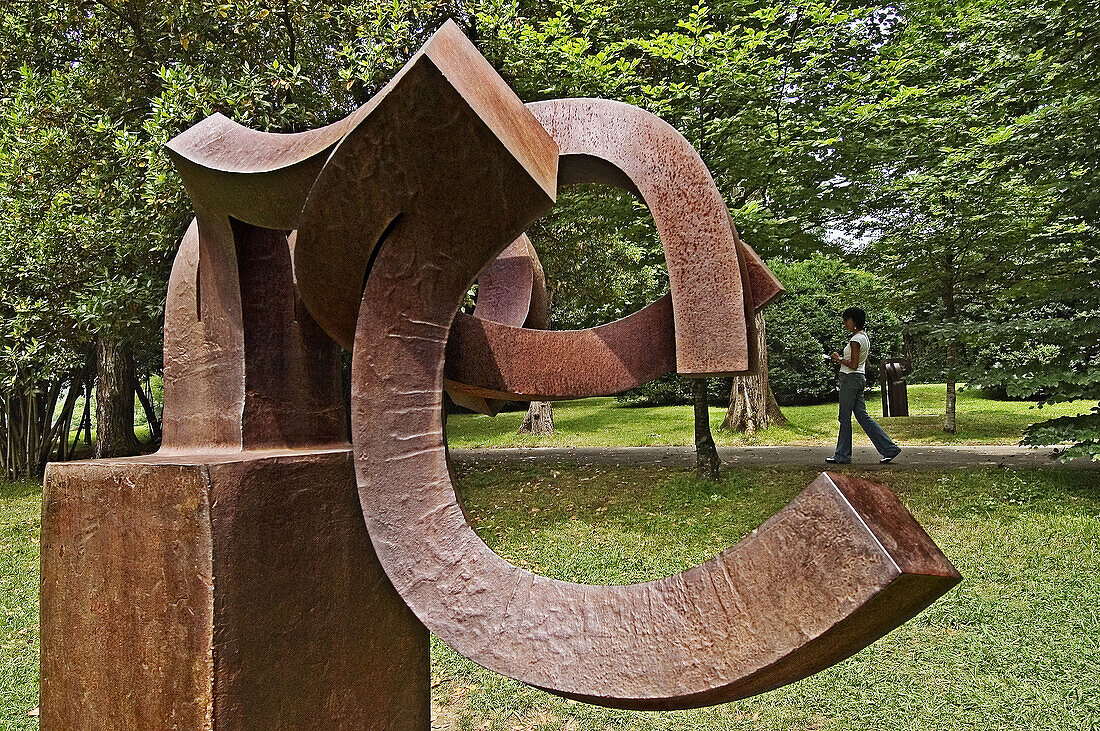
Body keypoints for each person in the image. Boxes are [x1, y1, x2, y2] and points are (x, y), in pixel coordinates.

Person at [826, 307, 902, 465]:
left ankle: (842, 455)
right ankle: (889, 449)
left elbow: (853, 364)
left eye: (846, 319)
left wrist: (838, 359)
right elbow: (861, 362)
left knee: (844, 417)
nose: (844, 322)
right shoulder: (864, 337)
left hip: (850, 379)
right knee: (862, 416)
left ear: (854, 321)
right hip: (859, 378)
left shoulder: (855, 340)